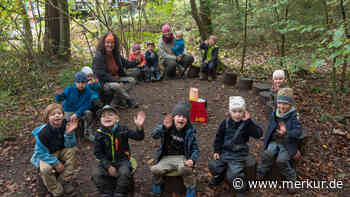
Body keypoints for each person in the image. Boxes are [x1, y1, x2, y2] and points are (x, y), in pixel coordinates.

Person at [208, 96, 262, 197]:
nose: (237, 114)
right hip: (225, 153)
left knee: (233, 175)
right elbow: (219, 137)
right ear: (230, 112)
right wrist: (217, 151)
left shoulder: (247, 124)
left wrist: (249, 122)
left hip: (238, 154)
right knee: (213, 166)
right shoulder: (225, 122)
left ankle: (241, 188)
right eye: (234, 111)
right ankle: (218, 177)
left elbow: (259, 134)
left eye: (240, 111)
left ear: (244, 112)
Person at [256, 88, 302, 194]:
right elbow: (271, 126)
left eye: (285, 104)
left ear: (290, 104)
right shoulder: (275, 113)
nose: (281, 106)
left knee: (281, 160)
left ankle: (292, 179)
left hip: (287, 144)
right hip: (275, 141)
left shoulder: (294, 116)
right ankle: (261, 173)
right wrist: (266, 136)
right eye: (280, 103)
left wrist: (287, 133)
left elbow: (298, 132)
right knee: (267, 154)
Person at [92, 105, 145, 197]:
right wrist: (108, 166)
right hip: (106, 161)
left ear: (117, 119)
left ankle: (119, 192)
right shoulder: (99, 134)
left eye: (110, 115)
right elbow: (98, 153)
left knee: (124, 173)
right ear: (100, 120)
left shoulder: (123, 130)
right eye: (103, 116)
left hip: (122, 160)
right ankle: (106, 192)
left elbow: (138, 137)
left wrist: (139, 127)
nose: (107, 117)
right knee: (96, 174)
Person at [150, 102, 199, 197]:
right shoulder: (167, 127)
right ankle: (157, 183)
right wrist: (163, 127)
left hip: (182, 157)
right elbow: (154, 135)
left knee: (186, 169)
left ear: (187, 120)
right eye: (179, 116)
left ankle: (190, 187)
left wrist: (192, 159)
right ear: (173, 117)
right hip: (167, 157)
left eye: (184, 117)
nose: (181, 119)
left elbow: (195, 149)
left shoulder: (189, 132)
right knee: (155, 169)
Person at [30, 103, 78, 197]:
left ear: (63, 116)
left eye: (59, 113)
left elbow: (70, 144)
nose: (56, 115)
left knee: (72, 151)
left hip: (60, 150)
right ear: (47, 118)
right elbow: (40, 152)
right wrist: (55, 163)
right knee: (45, 169)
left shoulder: (65, 125)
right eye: (53, 114)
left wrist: (69, 133)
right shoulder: (43, 133)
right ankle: (56, 190)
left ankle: (64, 180)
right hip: (47, 154)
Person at [92, 32, 139, 109]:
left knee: (132, 80)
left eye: (112, 43)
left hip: (116, 78)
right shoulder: (99, 56)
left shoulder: (115, 54)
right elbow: (101, 74)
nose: (110, 45)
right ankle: (129, 100)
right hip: (104, 82)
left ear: (115, 44)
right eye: (107, 42)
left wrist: (137, 61)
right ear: (103, 43)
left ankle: (116, 101)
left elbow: (126, 64)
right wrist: (116, 81)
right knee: (116, 85)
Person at [55, 71, 94, 140]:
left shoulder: (88, 91)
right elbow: (60, 99)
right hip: (68, 110)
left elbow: (87, 105)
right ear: (75, 82)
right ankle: (68, 136)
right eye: (78, 82)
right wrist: (59, 95)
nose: (81, 84)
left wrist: (77, 113)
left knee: (88, 113)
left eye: (83, 82)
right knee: (66, 121)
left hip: (80, 110)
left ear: (86, 83)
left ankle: (87, 133)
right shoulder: (70, 89)